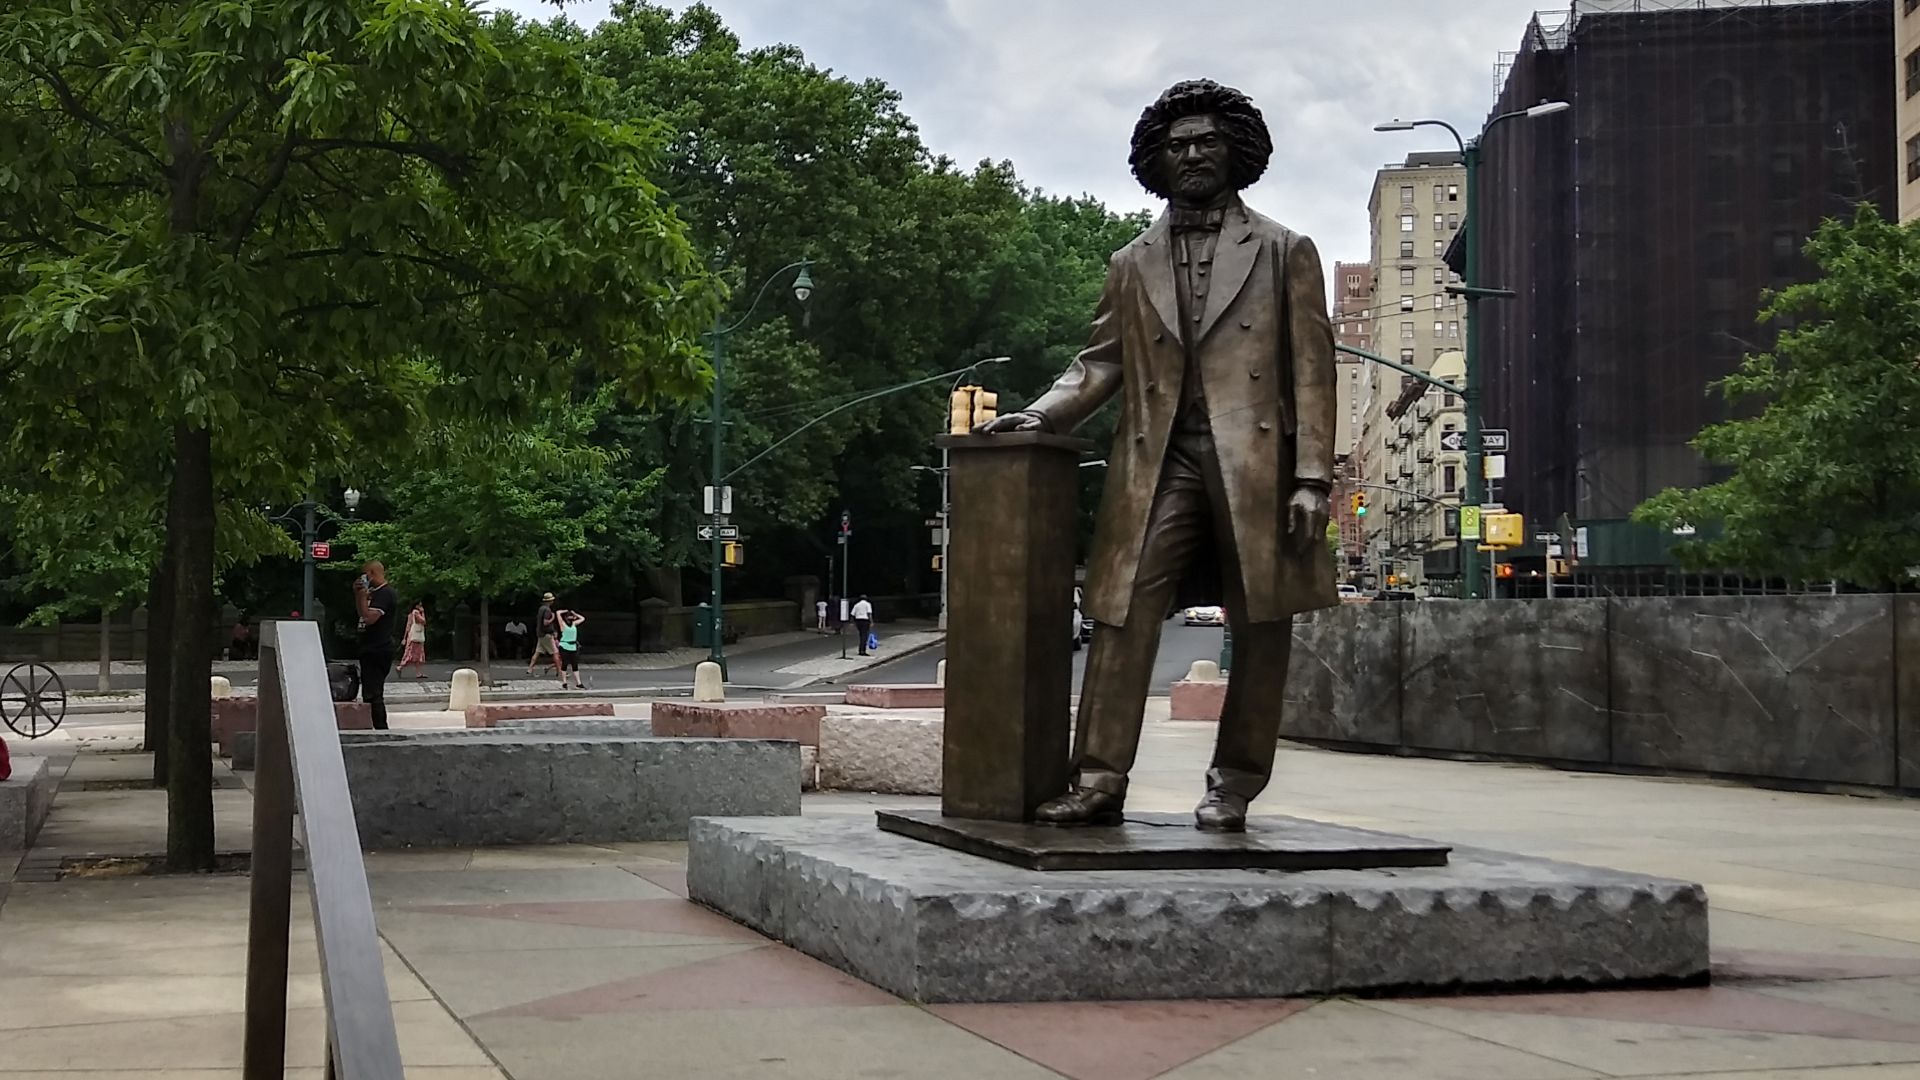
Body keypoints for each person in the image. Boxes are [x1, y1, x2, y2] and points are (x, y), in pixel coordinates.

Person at [975, 80, 1338, 832]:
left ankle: (1234, 782)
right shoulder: (1130, 261)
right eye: (1179, 145)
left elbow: (1312, 370)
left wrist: (1311, 479)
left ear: (1236, 151)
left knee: (1261, 624)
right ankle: (1100, 780)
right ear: (1156, 161)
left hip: (1256, 465)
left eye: (1208, 141)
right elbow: (1098, 363)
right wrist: (1039, 414)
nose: (1194, 155)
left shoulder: (1283, 250)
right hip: (1157, 459)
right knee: (1120, 614)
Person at [353, 561, 400, 730]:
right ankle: (377, 726)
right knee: (369, 691)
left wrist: (363, 595)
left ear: (372, 573)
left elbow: (369, 618)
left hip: (378, 648)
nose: (364, 579)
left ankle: (381, 728)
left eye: (365, 575)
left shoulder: (385, 594)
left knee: (374, 692)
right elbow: (362, 612)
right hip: (370, 647)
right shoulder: (375, 594)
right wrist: (359, 595)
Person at [528, 592, 560, 676]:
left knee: (537, 652)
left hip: (540, 634)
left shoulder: (541, 609)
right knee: (555, 652)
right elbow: (545, 623)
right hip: (546, 634)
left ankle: (530, 669)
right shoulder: (547, 610)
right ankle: (559, 671)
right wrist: (553, 618)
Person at [554, 608, 586, 689]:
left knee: (575, 664)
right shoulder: (563, 624)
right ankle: (564, 682)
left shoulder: (574, 624)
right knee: (565, 663)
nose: (572, 618)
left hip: (573, 646)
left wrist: (574, 613)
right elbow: (558, 613)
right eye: (570, 617)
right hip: (564, 646)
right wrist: (565, 611)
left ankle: (579, 683)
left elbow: (582, 618)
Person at [397, 602, 429, 680]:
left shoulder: (411, 614)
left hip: (412, 636)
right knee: (413, 653)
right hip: (416, 637)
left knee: (416, 654)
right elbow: (423, 621)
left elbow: (408, 626)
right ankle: (400, 667)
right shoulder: (416, 613)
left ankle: (418, 672)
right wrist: (423, 612)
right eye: (420, 605)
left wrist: (405, 637)